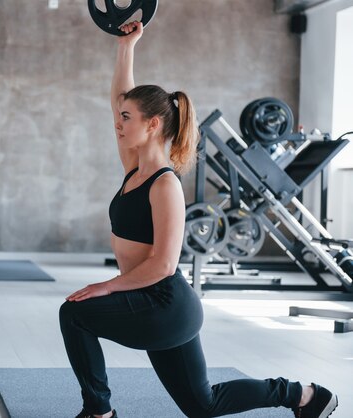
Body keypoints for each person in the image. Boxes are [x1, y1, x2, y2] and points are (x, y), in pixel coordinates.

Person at [58, 21, 338, 418]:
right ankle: (305, 396)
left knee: (74, 314)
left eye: (126, 117)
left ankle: (98, 412)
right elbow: (118, 97)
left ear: (152, 124)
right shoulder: (134, 167)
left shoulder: (164, 184)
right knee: (202, 405)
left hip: (163, 304)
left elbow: (164, 264)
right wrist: (126, 46)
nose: (118, 123)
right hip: (154, 301)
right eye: (119, 117)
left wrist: (108, 287)